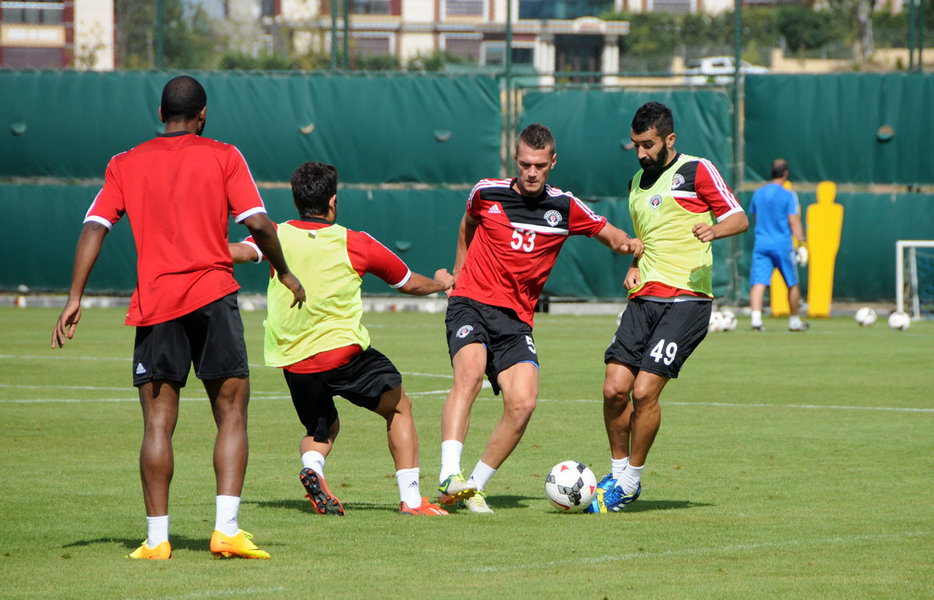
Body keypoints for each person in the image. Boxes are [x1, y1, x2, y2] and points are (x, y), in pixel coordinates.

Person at [51, 75, 305, 559]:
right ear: (203, 115)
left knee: (157, 423)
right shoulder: (224, 155)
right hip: (213, 296)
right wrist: (285, 270)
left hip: (157, 303)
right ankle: (225, 530)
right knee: (231, 413)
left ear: (159, 113)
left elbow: (94, 226)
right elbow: (258, 223)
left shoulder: (125, 163)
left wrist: (74, 296)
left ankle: (156, 540)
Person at [437, 123, 644, 514]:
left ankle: (471, 488)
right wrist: (459, 274)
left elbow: (608, 233)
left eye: (540, 166)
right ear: (515, 159)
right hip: (471, 303)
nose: (531, 173)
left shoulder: (565, 207)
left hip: (516, 320)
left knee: (523, 403)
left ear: (553, 163)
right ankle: (449, 473)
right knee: (470, 373)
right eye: (525, 164)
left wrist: (628, 245)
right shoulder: (486, 193)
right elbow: (468, 224)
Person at [230, 161, 453, 517]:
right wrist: (442, 283)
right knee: (399, 407)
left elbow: (241, 252)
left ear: (296, 200)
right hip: (342, 353)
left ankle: (313, 468)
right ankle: (412, 501)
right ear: (333, 201)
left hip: (295, 361)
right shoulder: (355, 242)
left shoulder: (275, 235)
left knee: (323, 427)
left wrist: (199, 249)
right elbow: (409, 282)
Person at [588, 101, 749, 513]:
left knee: (644, 391)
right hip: (643, 298)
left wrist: (714, 230)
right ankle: (616, 473)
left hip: (686, 300)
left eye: (648, 144)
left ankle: (631, 482)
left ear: (669, 139)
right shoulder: (635, 185)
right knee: (613, 389)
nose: (641, 152)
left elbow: (738, 218)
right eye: (636, 145)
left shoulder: (696, 170)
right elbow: (646, 239)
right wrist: (633, 264)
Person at [748, 158, 809, 332]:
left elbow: (755, 218)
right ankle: (794, 321)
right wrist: (802, 242)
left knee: (759, 282)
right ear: (785, 173)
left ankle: (756, 320)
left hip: (762, 243)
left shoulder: (758, 193)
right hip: (782, 244)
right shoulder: (788, 195)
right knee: (792, 282)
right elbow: (793, 220)